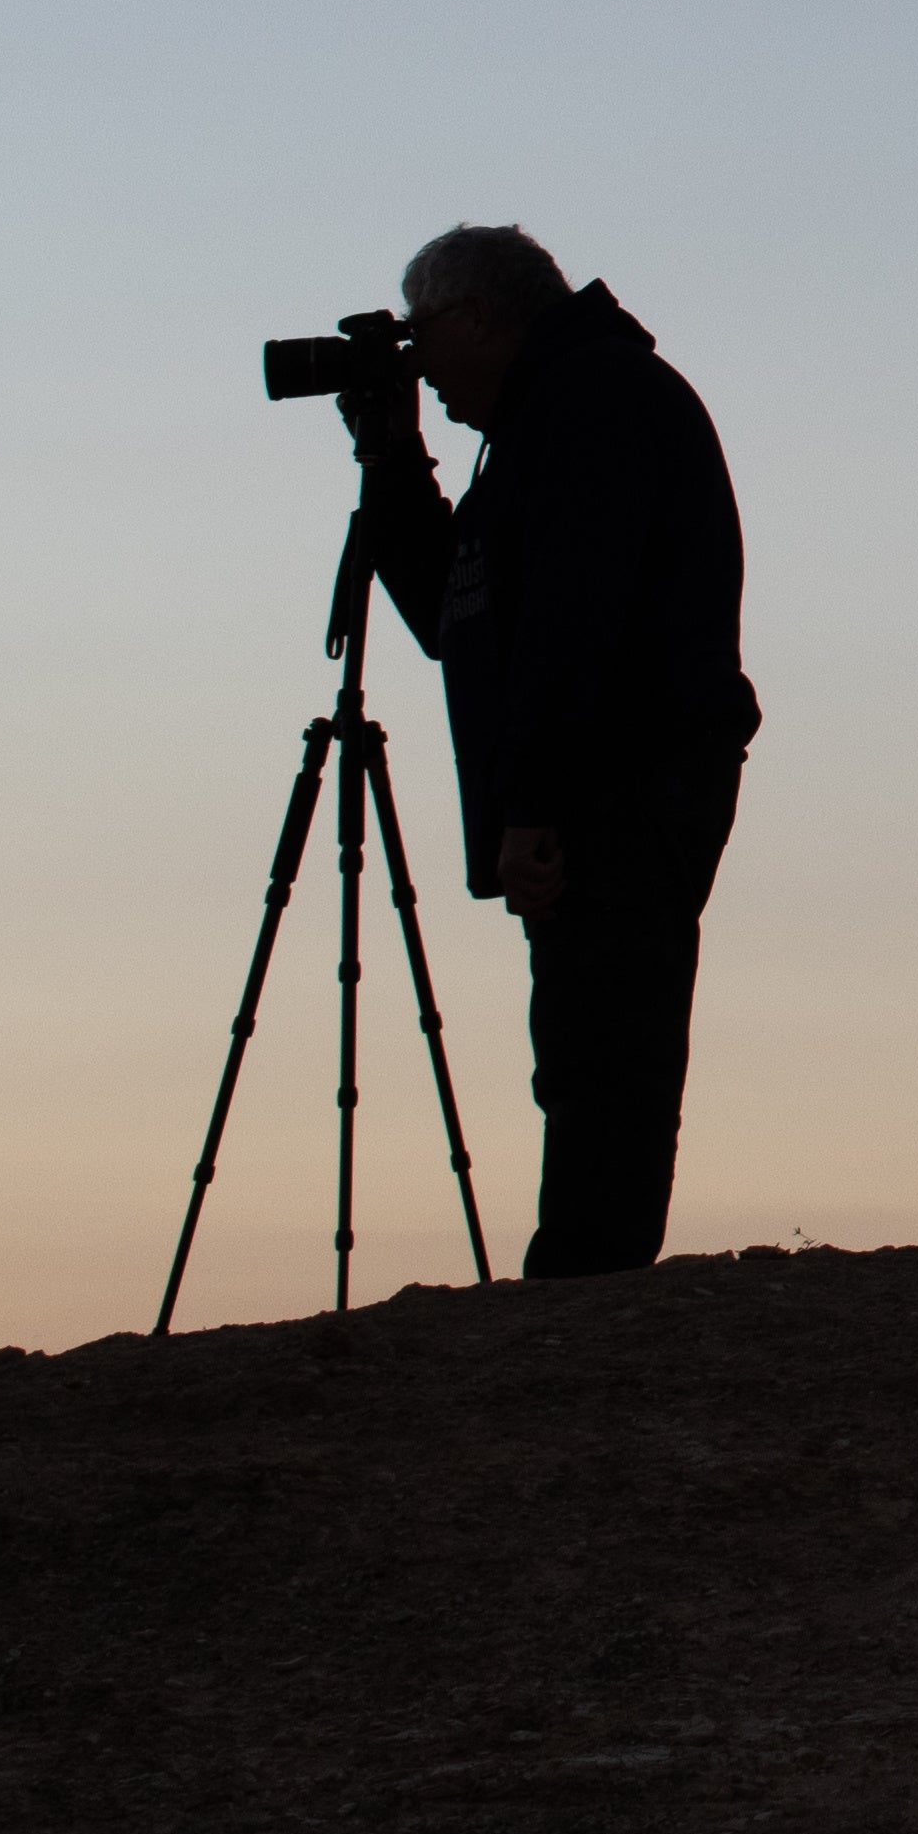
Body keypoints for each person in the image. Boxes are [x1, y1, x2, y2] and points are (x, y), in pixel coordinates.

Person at [338, 223, 759, 1278]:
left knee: (605, 1047)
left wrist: (532, 802)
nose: (419, 365)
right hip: (604, 778)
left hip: (626, 781)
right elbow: (459, 615)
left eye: (423, 335)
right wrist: (394, 461)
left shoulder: (594, 403)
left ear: (480, 317)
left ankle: (587, 1282)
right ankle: (585, 1277)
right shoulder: (543, 422)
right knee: (584, 1043)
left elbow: (578, 623)